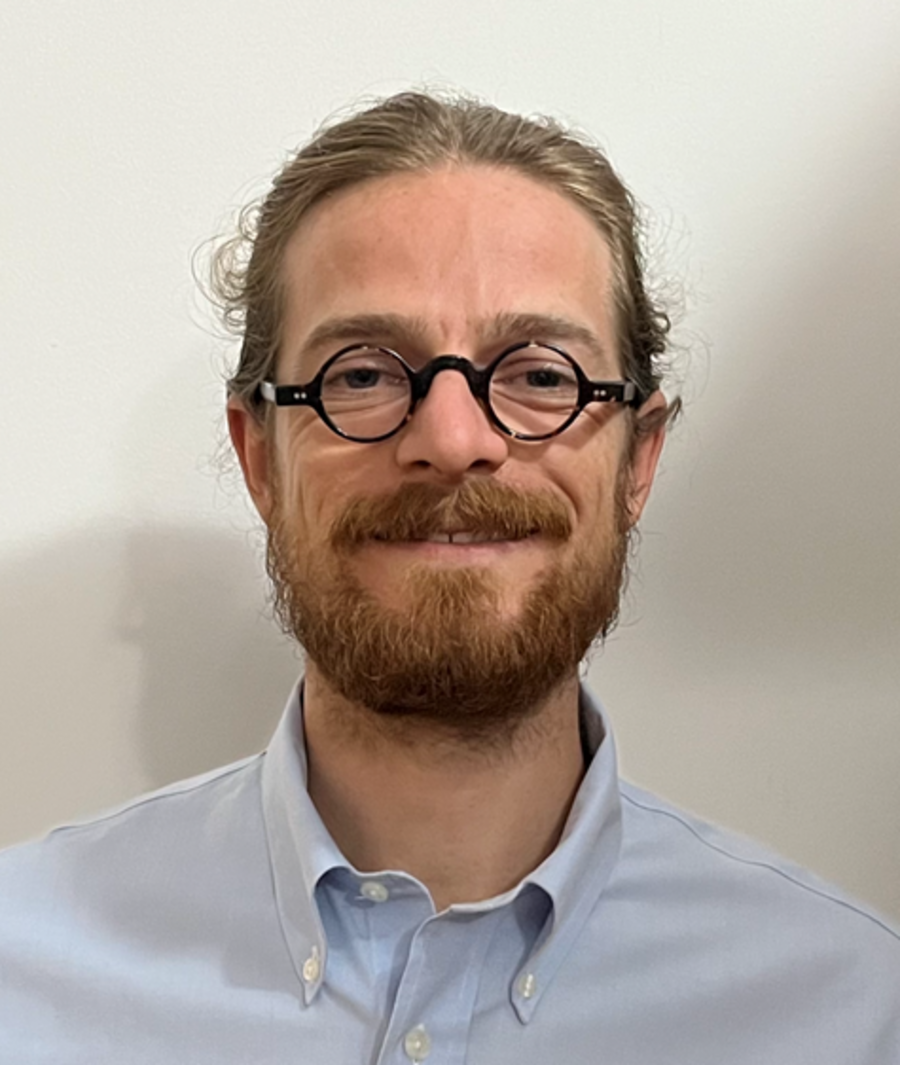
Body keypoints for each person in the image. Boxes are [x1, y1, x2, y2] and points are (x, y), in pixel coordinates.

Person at [1, 91, 897, 1064]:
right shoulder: (20, 975)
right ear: (261, 458)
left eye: (542, 374)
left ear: (638, 462)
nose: (455, 440)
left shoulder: (853, 1015)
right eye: (362, 375)